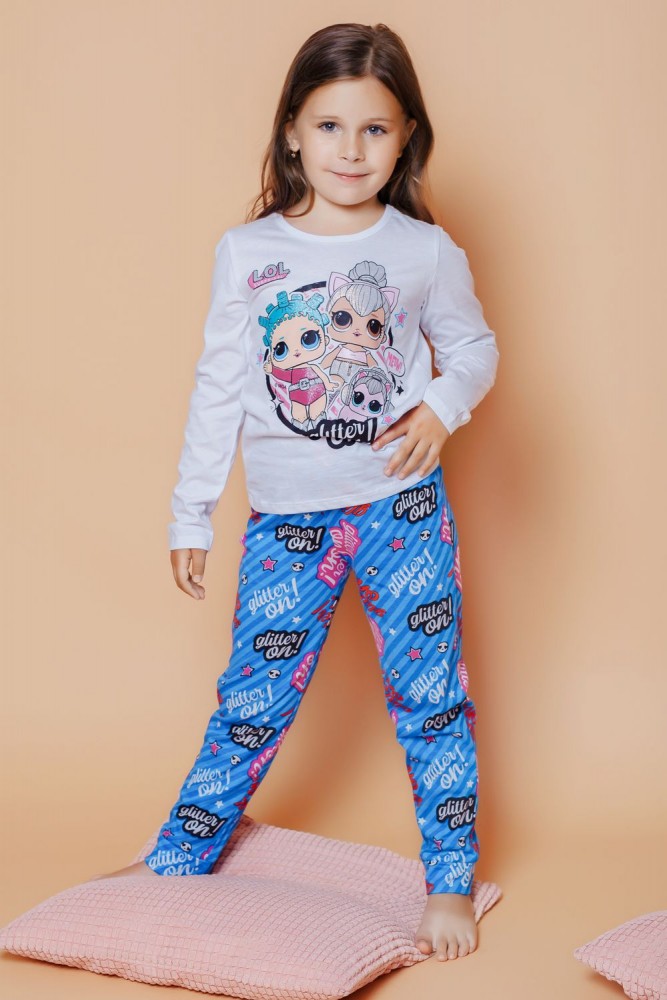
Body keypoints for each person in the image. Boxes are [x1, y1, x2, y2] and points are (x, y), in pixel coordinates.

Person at [93, 21, 500, 964]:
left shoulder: (424, 251)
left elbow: (474, 349)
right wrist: (190, 511)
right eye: (328, 126)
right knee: (251, 700)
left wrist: (440, 409)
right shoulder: (247, 252)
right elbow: (218, 387)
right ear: (290, 132)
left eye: (374, 129)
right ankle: (179, 856)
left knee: (431, 696)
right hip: (287, 522)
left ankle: (448, 879)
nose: (350, 150)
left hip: (403, 511)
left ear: (405, 137)